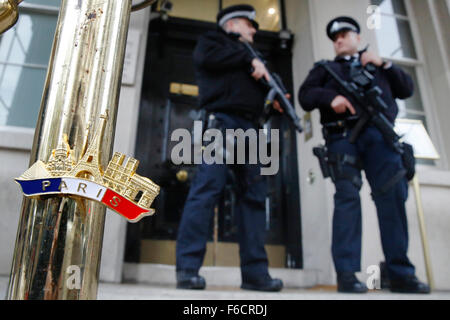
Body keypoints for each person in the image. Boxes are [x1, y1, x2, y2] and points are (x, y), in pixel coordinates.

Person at [298, 16, 430, 294]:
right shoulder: (325, 69)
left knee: (392, 202)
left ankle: (400, 273)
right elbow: (305, 96)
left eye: (345, 35)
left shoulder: (379, 66)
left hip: (381, 140)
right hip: (343, 139)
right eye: (335, 38)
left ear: (358, 38)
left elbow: (406, 89)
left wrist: (384, 64)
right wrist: (329, 98)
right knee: (347, 199)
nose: (340, 40)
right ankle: (347, 274)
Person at [175, 5, 283, 292]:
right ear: (233, 24)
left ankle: (255, 275)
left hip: (252, 130)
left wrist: (274, 100)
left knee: (255, 199)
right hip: (221, 123)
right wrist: (248, 61)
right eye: (250, 25)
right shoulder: (214, 41)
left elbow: (263, 97)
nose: (255, 30)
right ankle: (187, 269)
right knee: (206, 190)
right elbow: (206, 59)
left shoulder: (255, 55)